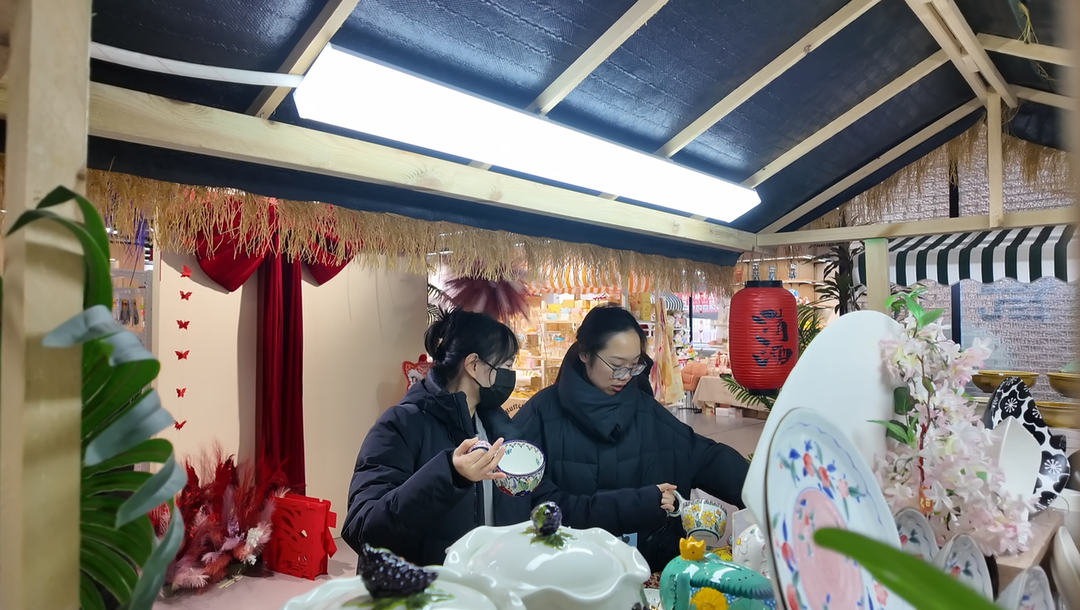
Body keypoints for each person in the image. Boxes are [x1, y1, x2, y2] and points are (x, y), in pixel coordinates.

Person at [342, 308, 676, 568]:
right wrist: (449, 475)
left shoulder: (501, 430)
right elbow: (363, 529)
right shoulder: (401, 426)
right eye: (505, 364)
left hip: (494, 594)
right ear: (474, 366)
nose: (510, 375)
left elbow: (557, 507)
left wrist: (642, 501)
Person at [514, 304, 750, 572]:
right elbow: (537, 503)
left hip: (642, 570)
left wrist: (760, 491)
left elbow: (702, 456)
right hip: (565, 571)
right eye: (616, 366)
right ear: (584, 354)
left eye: (634, 366)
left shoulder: (645, 408)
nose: (626, 376)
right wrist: (640, 504)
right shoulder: (541, 413)